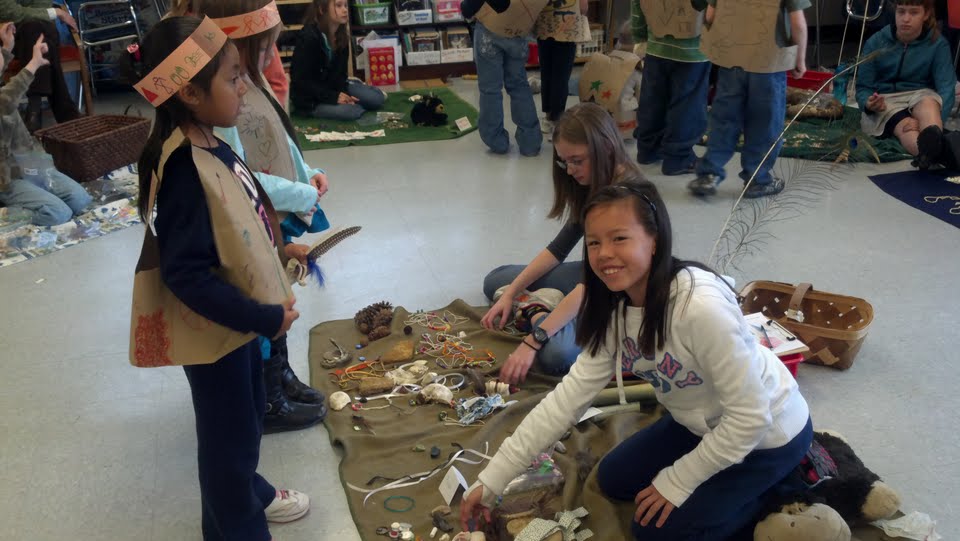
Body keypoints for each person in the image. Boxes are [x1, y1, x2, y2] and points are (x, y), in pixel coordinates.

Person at [462, 177, 814, 540]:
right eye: (594, 242)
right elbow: (565, 402)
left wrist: (678, 481)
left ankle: (784, 488)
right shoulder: (613, 304)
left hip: (767, 434)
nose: (603, 254)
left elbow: (751, 416)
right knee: (614, 480)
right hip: (698, 424)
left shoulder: (700, 308)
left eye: (619, 238)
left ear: (654, 239)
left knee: (654, 530)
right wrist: (490, 483)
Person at [131, 16, 310, 539]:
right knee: (228, 445)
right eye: (232, 77)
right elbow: (186, 273)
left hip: (237, 331)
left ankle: (248, 493)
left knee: (246, 423)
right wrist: (264, 316)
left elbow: (240, 218)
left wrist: (282, 249)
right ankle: (239, 524)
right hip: (219, 337)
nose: (244, 86)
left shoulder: (210, 140)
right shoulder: (184, 168)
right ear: (189, 91)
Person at [200, 0, 330, 433]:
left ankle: (280, 377)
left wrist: (308, 173)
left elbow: (280, 141)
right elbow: (239, 172)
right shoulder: (222, 101)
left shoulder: (248, 82)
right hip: (248, 221)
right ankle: (267, 395)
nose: (271, 58)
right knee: (263, 303)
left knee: (280, 295)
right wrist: (299, 192)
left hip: (269, 215)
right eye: (265, 48)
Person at [481, 102, 639, 384]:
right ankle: (543, 307)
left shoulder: (625, 199)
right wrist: (511, 293)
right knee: (497, 281)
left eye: (577, 161)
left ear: (604, 147)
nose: (569, 170)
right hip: (594, 276)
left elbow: (597, 285)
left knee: (555, 356)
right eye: (564, 161)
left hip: (619, 293)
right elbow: (558, 249)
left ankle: (537, 310)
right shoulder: (597, 184)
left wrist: (534, 339)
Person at [689, 0, 808, 199]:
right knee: (765, 124)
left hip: (732, 62)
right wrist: (800, 59)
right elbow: (798, 24)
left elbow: (710, 15)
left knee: (724, 120)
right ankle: (757, 179)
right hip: (768, 65)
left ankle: (708, 173)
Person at [0, 24, 90, 225]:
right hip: (6, 180)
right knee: (58, 213)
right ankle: (8, 214)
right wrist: (33, 64)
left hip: (27, 166)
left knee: (80, 200)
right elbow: (5, 101)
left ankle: (33, 196)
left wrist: (7, 47)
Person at [855, 0, 955, 168]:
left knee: (930, 103)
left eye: (914, 12)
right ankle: (931, 156)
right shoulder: (876, 41)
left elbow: (946, 88)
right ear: (894, 13)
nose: (906, 19)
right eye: (901, 12)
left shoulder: (937, 43)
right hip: (885, 100)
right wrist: (868, 103)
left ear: (926, 14)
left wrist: (938, 117)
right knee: (905, 128)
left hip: (920, 95)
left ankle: (933, 141)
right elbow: (863, 87)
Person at [630, 0, 710, 176]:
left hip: (656, 47)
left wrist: (640, 35)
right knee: (688, 105)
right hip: (693, 50)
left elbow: (638, 5)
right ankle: (678, 158)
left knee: (653, 100)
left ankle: (648, 149)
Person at [461, 0, 542, 155]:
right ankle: (530, 141)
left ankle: (496, 141)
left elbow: (468, 8)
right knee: (519, 86)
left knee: (490, 89)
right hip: (517, 31)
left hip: (488, 33)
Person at [289, 0, 386, 120]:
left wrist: (345, 95)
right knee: (352, 111)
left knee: (376, 98)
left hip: (333, 88)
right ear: (321, 9)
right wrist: (334, 98)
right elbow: (302, 82)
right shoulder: (309, 37)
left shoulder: (342, 37)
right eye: (338, 5)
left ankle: (355, 88)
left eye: (345, 5)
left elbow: (341, 76)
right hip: (311, 98)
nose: (345, 10)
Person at [0, 1, 80, 131]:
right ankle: (66, 113)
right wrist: (55, 12)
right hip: (12, 35)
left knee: (37, 29)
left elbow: (39, 9)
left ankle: (34, 108)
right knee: (36, 31)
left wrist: (48, 13)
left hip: (42, 31)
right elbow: (10, 12)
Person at [534, 0, 588, 140]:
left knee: (547, 73)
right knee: (561, 76)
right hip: (567, 27)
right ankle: (557, 122)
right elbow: (583, 8)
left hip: (545, 24)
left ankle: (548, 117)